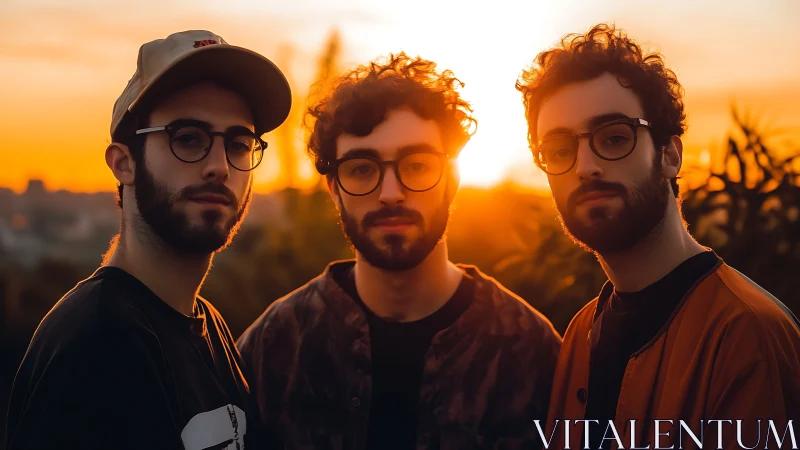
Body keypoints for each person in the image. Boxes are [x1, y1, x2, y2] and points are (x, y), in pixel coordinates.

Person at [237, 52, 561, 449]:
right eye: (361, 169)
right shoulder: (275, 346)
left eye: (417, 165)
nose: (391, 193)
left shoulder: (529, 350)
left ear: (452, 179)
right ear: (334, 190)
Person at [516, 24, 800, 450]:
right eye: (559, 150)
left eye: (614, 138)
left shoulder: (747, 334)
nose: (585, 166)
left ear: (669, 155)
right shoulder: (580, 334)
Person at [5, 30, 291, 449]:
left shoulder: (207, 325)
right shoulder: (95, 347)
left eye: (238, 144)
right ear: (124, 163)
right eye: (188, 138)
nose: (219, 166)